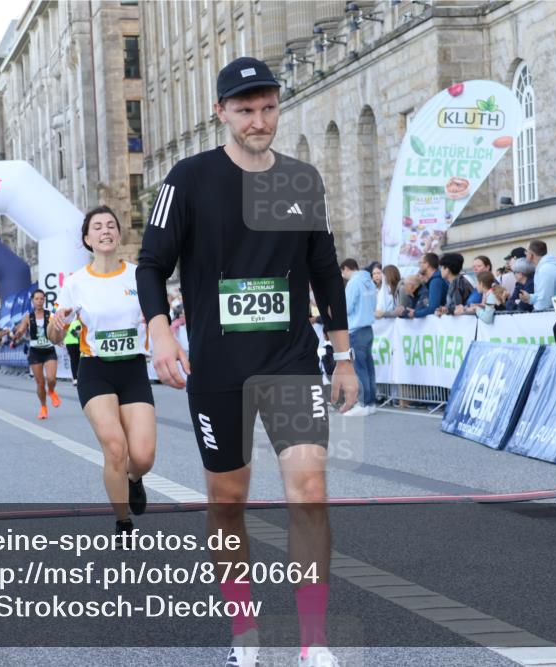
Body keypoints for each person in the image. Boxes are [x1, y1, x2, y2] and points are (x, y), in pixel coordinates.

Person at [136, 56, 355, 667]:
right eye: (245, 110)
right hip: (221, 369)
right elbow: (151, 263)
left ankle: (313, 642)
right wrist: (161, 332)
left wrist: (342, 357)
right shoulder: (189, 178)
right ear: (221, 113)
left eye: (268, 108)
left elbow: (323, 273)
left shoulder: (300, 181)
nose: (260, 121)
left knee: (309, 490)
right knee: (227, 503)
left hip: (289, 361)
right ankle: (245, 633)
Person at [49, 205, 156, 538]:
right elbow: (55, 335)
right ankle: (123, 521)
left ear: (118, 234)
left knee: (143, 456)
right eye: (97, 227)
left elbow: (157, 317)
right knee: (114, 447)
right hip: (95, 370)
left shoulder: (139, 275)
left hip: (134, 369)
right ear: (87, 239)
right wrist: (58, 323)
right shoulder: (76, 283)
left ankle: (134, 478)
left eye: (111, 225)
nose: (105, 230)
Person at [14, 289, 61, 419]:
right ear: (32, 301)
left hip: (49, 350)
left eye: (41, 299)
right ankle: (43, 407)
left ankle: (51, 391)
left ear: (44, 300)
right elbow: (22, 329)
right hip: (35, 352)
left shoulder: (50, 315)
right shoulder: (28, 317)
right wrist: (18, 333)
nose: (39, 301)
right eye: (37, 299)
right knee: (40, 383)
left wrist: (59, 339)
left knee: (51, 378)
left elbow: (57, 330)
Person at [341, 258, 377, 416]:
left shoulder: (353, 283)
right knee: (369, 368)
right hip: (368, 327)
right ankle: (370, 402)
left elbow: (347, 308)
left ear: (347, 268)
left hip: (356, 328)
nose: (343, 276)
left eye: (343, 272)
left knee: (359, 368)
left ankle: (362, 403)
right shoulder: (368, 281)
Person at [520, 240, 556, 310]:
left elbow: (544, 301)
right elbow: (542, 295)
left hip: (555, 316)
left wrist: (536, 315)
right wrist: (529, 298)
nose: (525, 254)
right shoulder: (544, 267)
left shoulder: (545, 270)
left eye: (526, 251)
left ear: (531, 254)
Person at [407, 252, 447, 318]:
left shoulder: (435, 281)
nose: (419, 266)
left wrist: (416, 313)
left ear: (427, 264)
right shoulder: (432, 281)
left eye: (420, 263)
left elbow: (433, 308)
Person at [64, 318, 83, 387]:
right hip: (71, 343)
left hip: (79, 343)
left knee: (78, 361)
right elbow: (66, 331)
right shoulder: (68, 320)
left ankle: (78, 378)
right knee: (74, 360)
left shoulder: (80, 319)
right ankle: (75, 378)